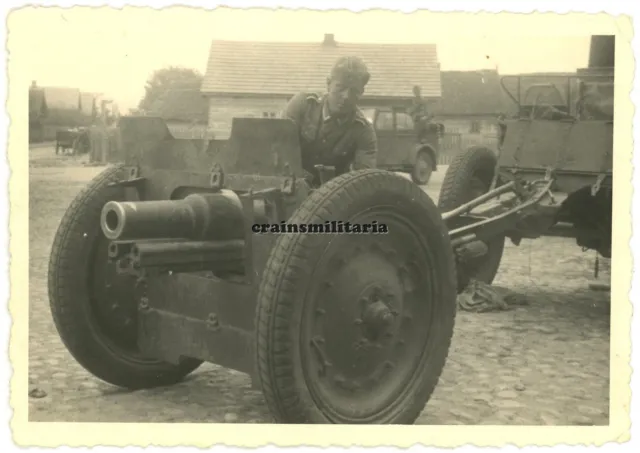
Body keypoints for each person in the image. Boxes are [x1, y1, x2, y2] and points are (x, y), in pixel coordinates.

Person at [282, 56, 378, 186]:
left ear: (361, 93)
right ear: (328, 84)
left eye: (354, 91)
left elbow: (362, 181)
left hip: (332, 198)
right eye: (340, 88)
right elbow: (278, 151)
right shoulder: (303, 105)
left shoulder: (363, 130)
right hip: (290, 187)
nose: (346, 97)